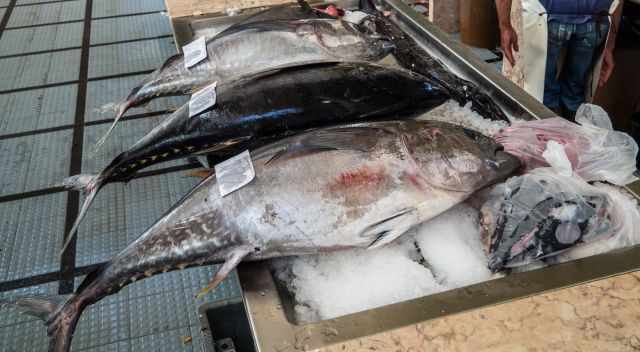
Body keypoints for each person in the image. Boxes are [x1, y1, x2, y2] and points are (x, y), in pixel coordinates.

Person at [496, 0, 623, 120]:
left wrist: (504, 26)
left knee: (543, 93)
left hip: (548, 12)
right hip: (596, 18)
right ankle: (569, 130)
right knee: (574, 93)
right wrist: (610, 44)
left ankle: (550, 130)